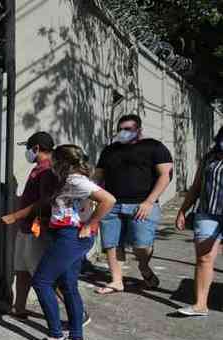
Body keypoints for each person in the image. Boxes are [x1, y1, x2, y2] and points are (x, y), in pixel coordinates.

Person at [27, 145, 116, 340]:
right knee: (68, 284)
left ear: (62, 162)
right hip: (69, 235)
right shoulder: (71, 179)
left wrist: (91, 224)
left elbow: (108, 200)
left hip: (71, 236)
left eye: (54, 161)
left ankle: (55, 337)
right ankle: (76, 336)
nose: (51, 164)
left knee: (41, 281)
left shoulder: (76, 180)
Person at [94, 114, 173, 294]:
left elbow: (165, 175)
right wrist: (92, 195)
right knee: (111, 244)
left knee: (142, 245)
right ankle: (116, 281)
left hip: (142, 204)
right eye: (120, 129)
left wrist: (149, 202)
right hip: (112, 204)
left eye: (128, 129)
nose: (123, 132)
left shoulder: (154, 147)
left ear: (139, 130)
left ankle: (144, 267)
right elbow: (98, 176)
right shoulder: (109, 150)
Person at [1, 132, 58, 318]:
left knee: (44, 276)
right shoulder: (38, 168)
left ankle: (79, 314)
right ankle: (19, 308)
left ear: (36, 149)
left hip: (36, 230)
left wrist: (15, 216)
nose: (27, 153)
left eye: (28, 149)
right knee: (22, 270)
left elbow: (44, 201)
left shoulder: (48, 170)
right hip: (26, 228)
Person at [174, 126, 223, 317]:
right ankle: (200, 305)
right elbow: (196, 186)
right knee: (204, 258)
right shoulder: (210, 157)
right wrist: (183, 210)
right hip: (207, 213)